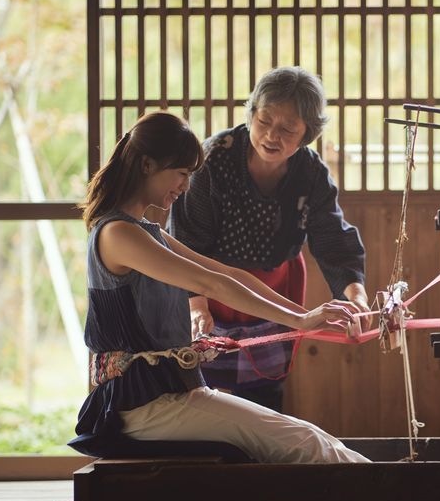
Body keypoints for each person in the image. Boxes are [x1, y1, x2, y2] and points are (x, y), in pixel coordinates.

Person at [69, 111, 369, 463]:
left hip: (169, 397)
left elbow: (230, 273)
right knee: (307, 445)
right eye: (180, 174)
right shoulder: (118, 233)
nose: (184, 186)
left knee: (314, 439)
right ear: (147, 165)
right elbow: (210, 283)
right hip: (142, 406)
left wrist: (305, 316)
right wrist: (301, 321)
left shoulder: (147, 232)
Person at [170, 66, 370, 412]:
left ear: (307, 133)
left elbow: (333, 240)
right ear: (251, 115)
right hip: (209, 285)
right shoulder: (213, 160)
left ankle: (258, 464)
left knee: (264, 397)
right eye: (264, 121)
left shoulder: (311, 173)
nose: (271, 136)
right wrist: (196, 304)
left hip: (276, 290)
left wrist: (357, 298)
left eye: (288, 129)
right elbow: (188, 236)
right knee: (200, 394)